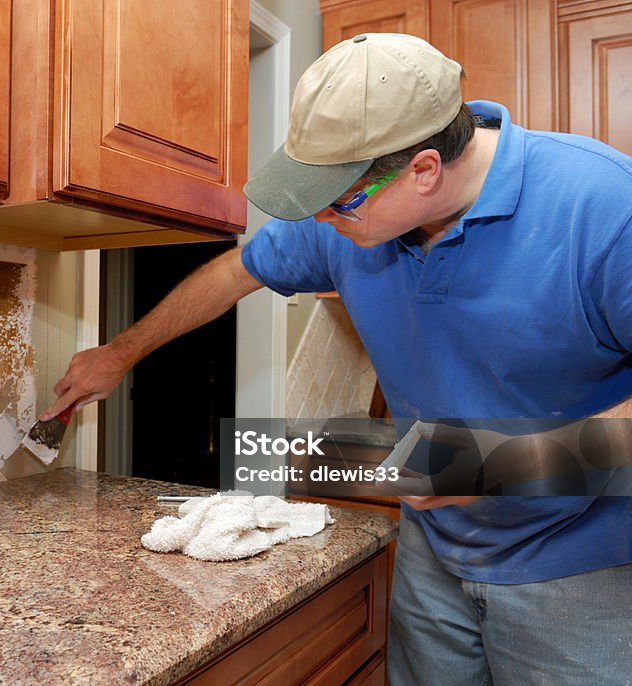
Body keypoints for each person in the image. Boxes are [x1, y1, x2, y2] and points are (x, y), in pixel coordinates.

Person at [40, 32, 632, 685]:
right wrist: (120, 353)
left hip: (581, 564)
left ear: (425, 169)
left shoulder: (605, 206)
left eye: (337, 201)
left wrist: (509, 465)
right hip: (433, 555)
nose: (318, 219)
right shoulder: (349, 218)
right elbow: (234, 272)